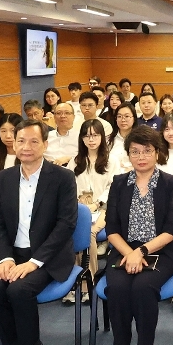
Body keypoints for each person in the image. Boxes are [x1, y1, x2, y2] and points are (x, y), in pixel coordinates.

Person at [0, 119, 77, 345]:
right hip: (14, 255)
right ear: (14, 144)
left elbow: (66, 225)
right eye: (21, 141)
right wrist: (5, 258)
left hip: (48, 256)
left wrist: (34, 262)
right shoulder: (5, 178)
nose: (26, 147)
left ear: (45, 144)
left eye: (34, 141)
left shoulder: (62, 178)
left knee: (19, 290)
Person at [103, 126, 173, 345]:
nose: (141, 157)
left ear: (157, 153)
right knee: (117, 288)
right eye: (135, 151)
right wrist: (130, 253)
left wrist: (141, 252)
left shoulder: (170, 183)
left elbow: (171, 230)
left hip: (162, 250)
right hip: (124, 250)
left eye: (147, 151)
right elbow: (111, 228)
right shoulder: (119, 183)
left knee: (143, 287)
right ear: (128, 154)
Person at [67, 118, 113, 293]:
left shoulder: (111, 160)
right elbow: (68, 186)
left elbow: (113, 187)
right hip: (79, 207)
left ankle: (88, 281)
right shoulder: (75, 161)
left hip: (104, 207)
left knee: (89, 232)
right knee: (68, 231)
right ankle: (73, 279)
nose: (91, 139)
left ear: (102, 137)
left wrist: (97, 203)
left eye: (95, 135)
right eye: (87, 136)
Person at [108, 104, 137, 175]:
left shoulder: (141, 140)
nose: (123, 120)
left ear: (134, 118)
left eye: (126, 116)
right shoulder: (108, 140)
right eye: (119, 116)